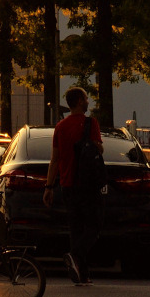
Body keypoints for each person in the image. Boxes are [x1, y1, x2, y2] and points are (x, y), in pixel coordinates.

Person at [44, 86, 103, 286]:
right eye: (86, 98)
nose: (88, 101)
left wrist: (49, 186)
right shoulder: (90, 123)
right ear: (79, 101)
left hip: (67, 184)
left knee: (76, 229)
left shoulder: (60, 126)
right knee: (93, 228)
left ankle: (82, 274)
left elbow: (54, 159)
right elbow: (98, 148)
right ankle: (75, 255)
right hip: (87, 184)